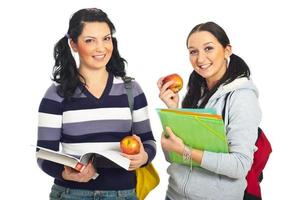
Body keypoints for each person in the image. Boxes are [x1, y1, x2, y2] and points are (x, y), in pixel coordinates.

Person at [37, 8, 156, 200]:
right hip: (70, 194)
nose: (101, 48)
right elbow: (43, 154)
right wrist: (65, 173)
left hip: (123, 195)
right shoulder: (56, 94)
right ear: (73, 44)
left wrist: (143, 157)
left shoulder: (132, 90)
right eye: (90, 40)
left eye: (106, 38)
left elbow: (149, 142)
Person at [157, 22, 261, 200]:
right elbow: (172, 157)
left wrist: (186, 151)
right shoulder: (195, 92)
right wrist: (173, 111)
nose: (200, 59)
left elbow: (240, 166)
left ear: (227, 50)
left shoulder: (242, 98)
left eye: (208, 48)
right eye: (193, 51)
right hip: (174, 196)